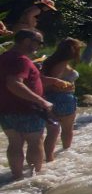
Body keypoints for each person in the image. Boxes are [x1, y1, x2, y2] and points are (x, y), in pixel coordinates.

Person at [0, 29, 53, 179]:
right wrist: (41, 101)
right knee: (35, 141)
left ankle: (17, 178)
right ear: (26, 41)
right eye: (39, 42)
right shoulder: (21, 60)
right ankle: (34, 177)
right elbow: (14, 83)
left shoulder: (3, 57)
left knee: (14, 143)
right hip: (28, 108)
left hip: (5, 109)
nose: (40, 46)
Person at [41, 37, 82, 160]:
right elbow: (54, 82)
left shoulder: (50, 61)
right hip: (63, 99)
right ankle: (65, 155)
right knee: (66, 129)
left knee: (52, 131)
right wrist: (68, 86)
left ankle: (49, 158)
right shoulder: (61, 64)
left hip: (50, 99)